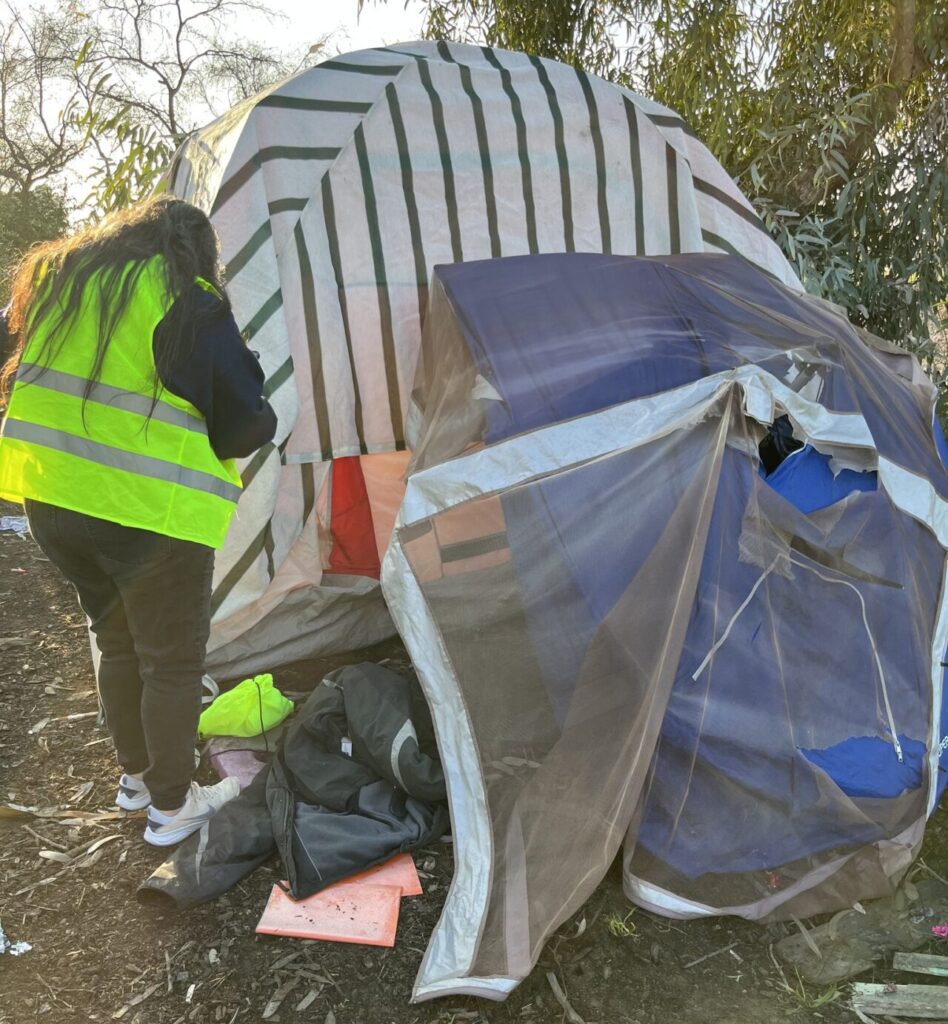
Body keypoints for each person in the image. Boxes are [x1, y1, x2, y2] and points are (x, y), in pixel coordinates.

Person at [0, 196, 277, 846]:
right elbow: (245, 425)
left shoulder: (61, 282)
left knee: (116, 638)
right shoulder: (185, 296)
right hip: (146, 515)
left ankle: (136, 780)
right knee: (172, 661)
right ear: (192, 250)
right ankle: (171, 808)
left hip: (53, 502)